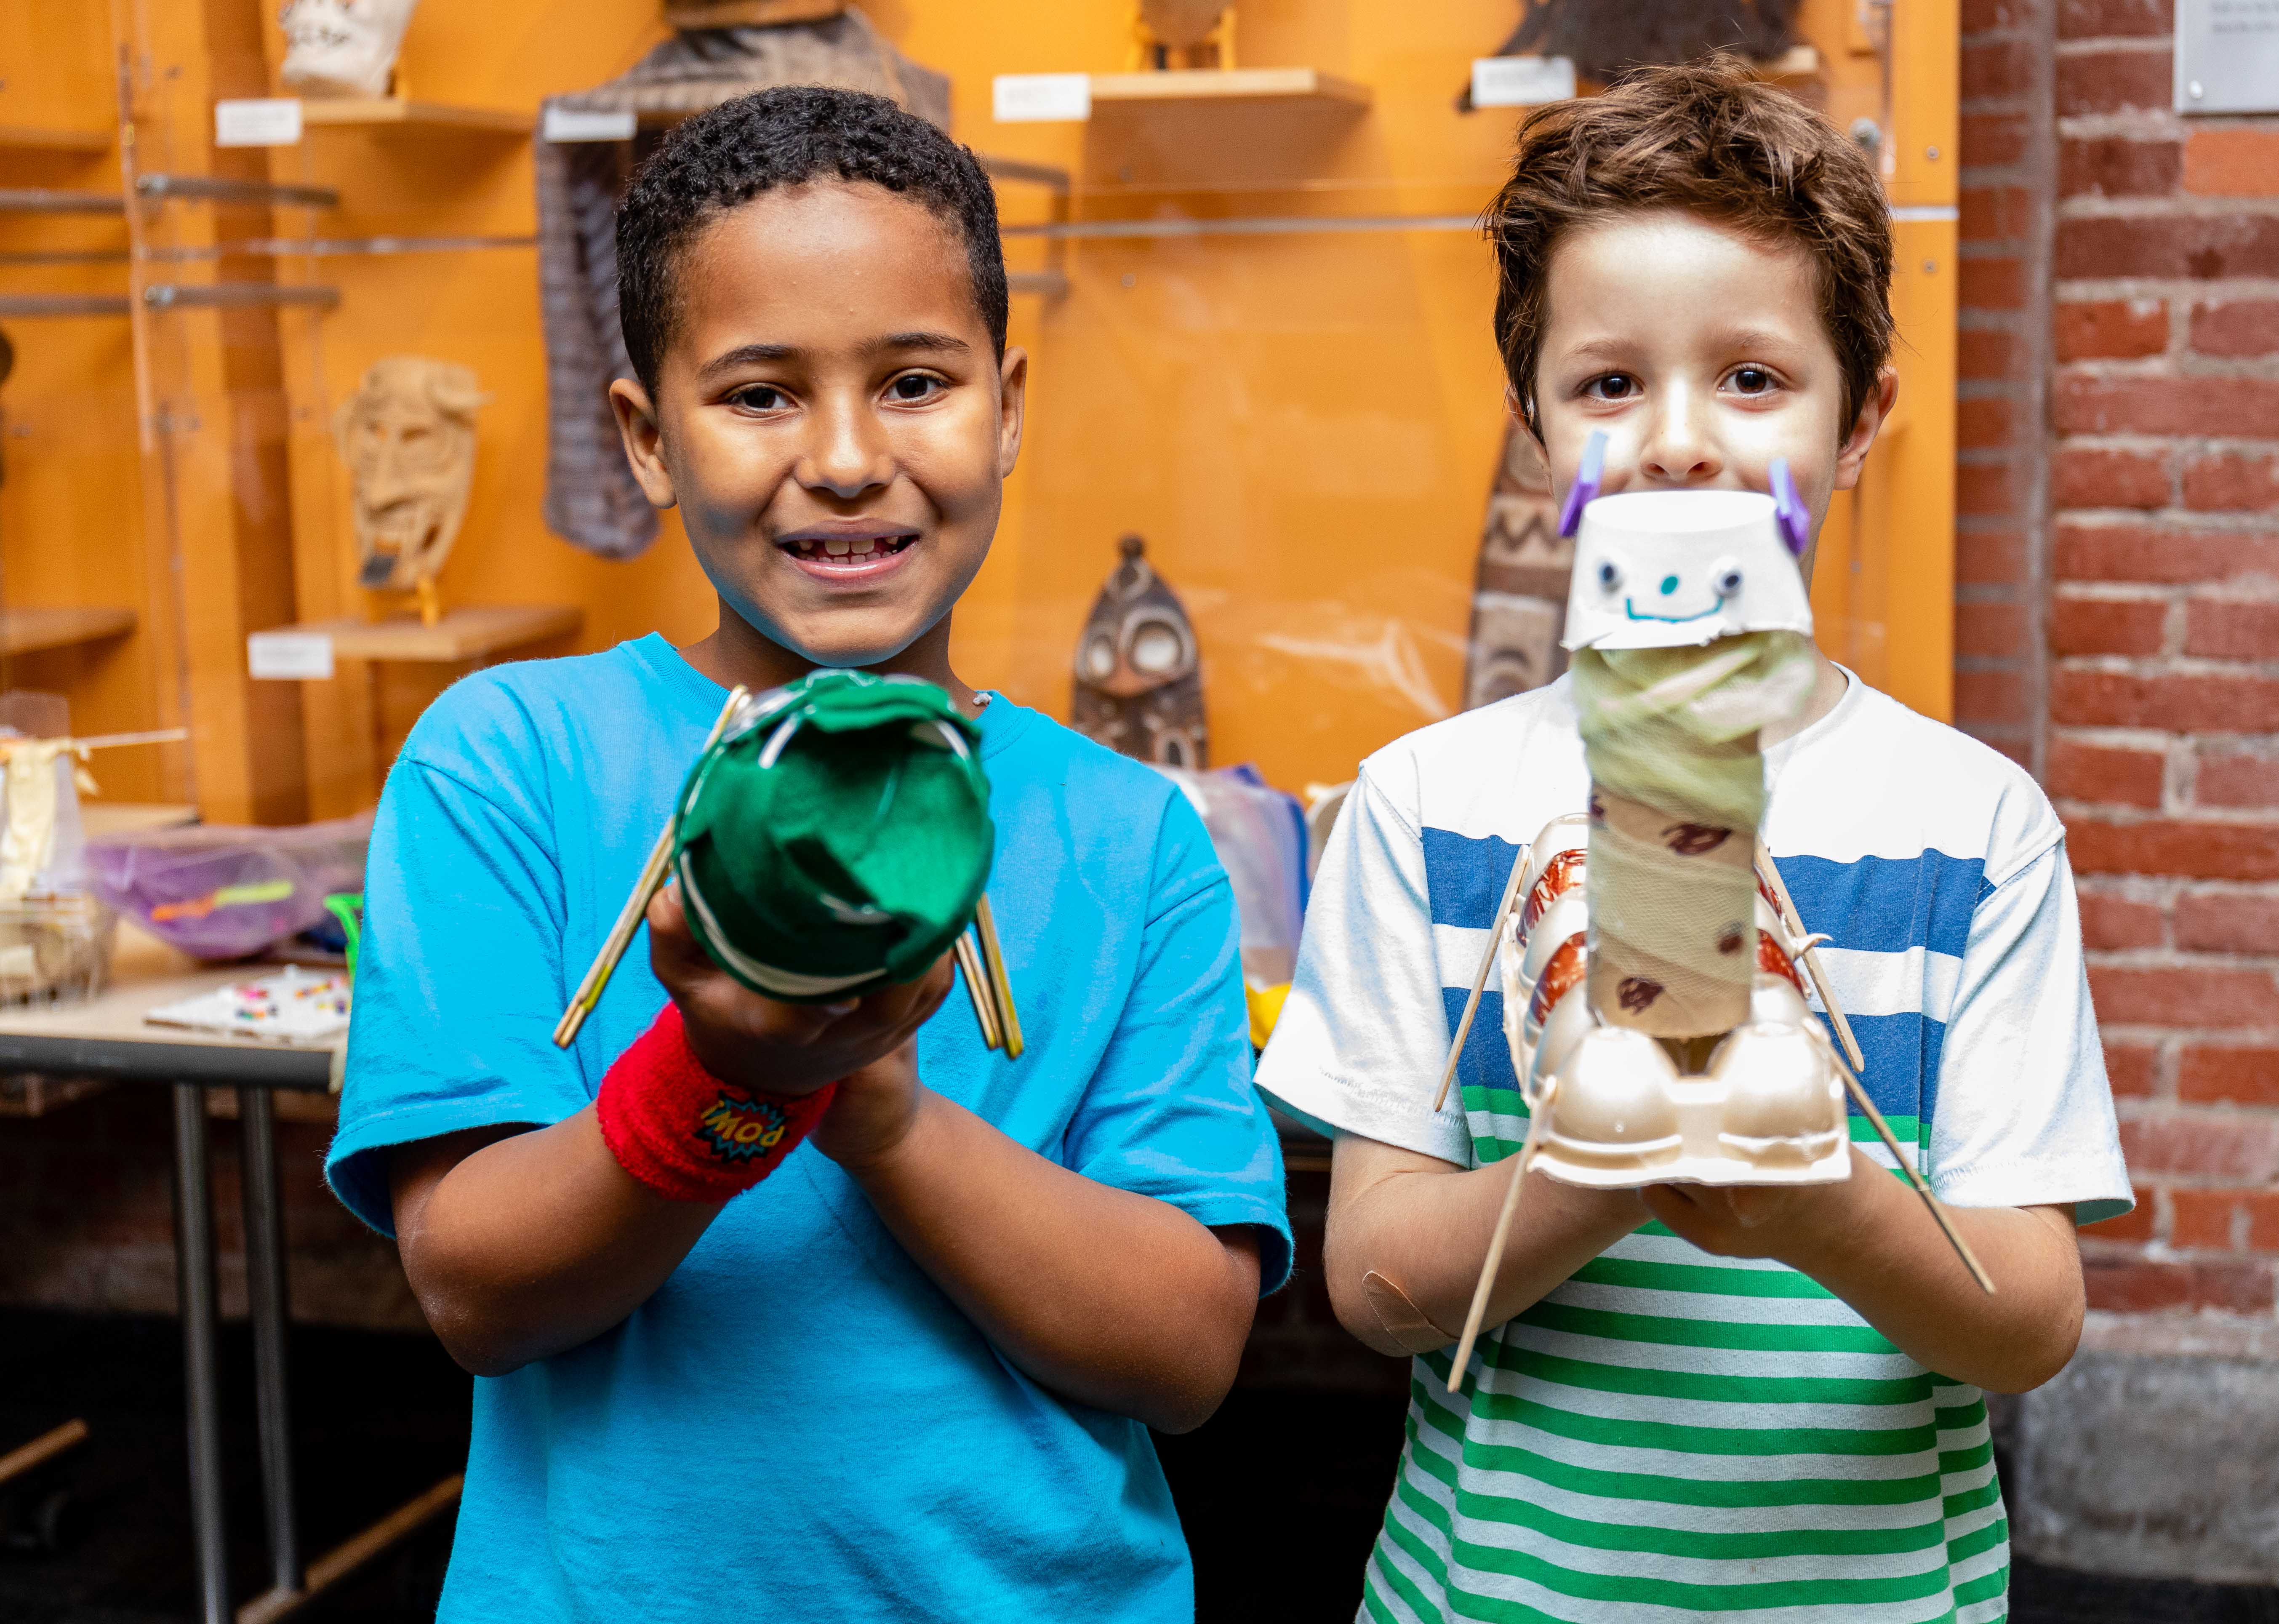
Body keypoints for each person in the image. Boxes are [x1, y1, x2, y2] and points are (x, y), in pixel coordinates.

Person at [323, 85, 1290, 1622]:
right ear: (645, 435)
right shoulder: (508, 759)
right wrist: (725, 1077)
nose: (844, 459)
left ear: (1009, 405)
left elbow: (1182, 1355)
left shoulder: (1131, 836)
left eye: (914, 381)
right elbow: (475, 1292)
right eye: (760, 393)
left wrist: (882, 1113)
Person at [1256, 60, 2130, 1624]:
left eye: (1749, 378)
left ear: (1859, 419)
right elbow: (1375, 1286)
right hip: (1496, 1595)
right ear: (1531, 430)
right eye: (1607, 385)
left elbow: (2029, 1324)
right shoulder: (1424, 804)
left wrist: (1820, 1202)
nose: (1674, 443)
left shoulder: (1973, 828)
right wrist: (1592, 1168)